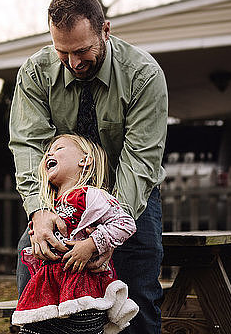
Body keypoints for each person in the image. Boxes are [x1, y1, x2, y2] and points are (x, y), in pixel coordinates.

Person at [9, 0, 168, 333]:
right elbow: (27, 144)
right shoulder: (37, 73)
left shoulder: (143, 75)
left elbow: (140, 160)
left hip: (129, 198)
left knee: (136, 291)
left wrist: (107, 236)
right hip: (62, 198)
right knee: (33, 261)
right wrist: (39, 211)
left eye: (83, 51)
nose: (74, 63)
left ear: (105, 30)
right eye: (62, 52)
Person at [12, 134, 138, 334]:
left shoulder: (91, 195)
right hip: (46, 293)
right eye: (48, 151)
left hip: (82, 292)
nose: (49, 153)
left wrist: (92, 244)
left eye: (59, 148)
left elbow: (125, 223)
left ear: (85, 160)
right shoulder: (48, 205)